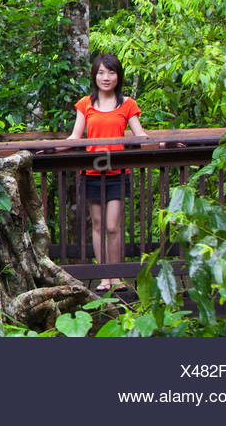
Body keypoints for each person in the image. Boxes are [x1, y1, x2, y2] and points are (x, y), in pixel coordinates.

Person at [64, 53, 148, 291]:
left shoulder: (127, 104)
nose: (106, 77)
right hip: (91, 172)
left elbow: (140, 135)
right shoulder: (85, 104)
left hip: (118, 173)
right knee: (98, 225)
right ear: (94, 76)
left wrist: (163, 144)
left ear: (118, 76)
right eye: (101, 72)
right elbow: (75, 136)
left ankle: (116, 274)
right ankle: (103, 276)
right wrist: (50, 148)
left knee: (113, 225)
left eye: (111, 72)